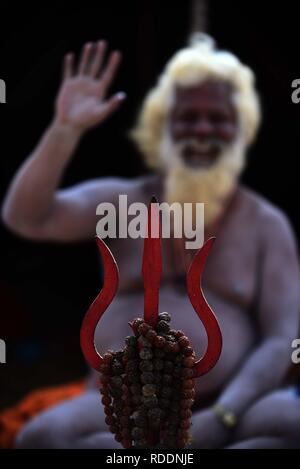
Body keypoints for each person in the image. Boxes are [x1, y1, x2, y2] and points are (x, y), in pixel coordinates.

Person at [2, 35, 300, 449]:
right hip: (120, 401)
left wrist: (224, 415)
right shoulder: (120, 202)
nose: (202, 129)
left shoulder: (266, 224)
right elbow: (26, 218)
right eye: (187, 116)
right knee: (42, 437)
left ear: (241, 129)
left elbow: (283, 336)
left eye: (218, 118)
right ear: (162, 127)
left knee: (290, 425)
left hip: (232, 403)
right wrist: (64, 130)